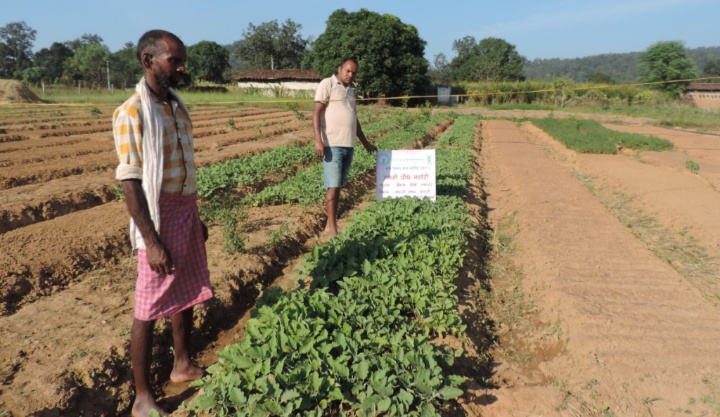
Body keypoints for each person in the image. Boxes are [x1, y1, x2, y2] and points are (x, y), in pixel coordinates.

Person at [113, 29, 213, 417]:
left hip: (185, 208)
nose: (182, 67)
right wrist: (151, 241)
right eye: (174, 60)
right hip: (157, 214)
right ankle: (142, 398)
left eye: (182, 60)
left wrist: (195, 216)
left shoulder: (175, 105)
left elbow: (184, 166)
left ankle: (182, 364)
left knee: (185, 291)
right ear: (148, 60)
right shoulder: (133, 112)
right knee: (148, 304)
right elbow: (131, 182)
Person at [313, 57, 377, 237]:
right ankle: (333, 230)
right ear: (340, 69)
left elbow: (354, 120)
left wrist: (365, 143)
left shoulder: (351, 91)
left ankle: (330, 224)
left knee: (339, 186)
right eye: (348, 71)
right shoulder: (327, 84)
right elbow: (316, 112)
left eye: (354, 72)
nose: (350, 75)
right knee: (332, 187)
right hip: (332, 144)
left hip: (348, 145)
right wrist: (318, 140)